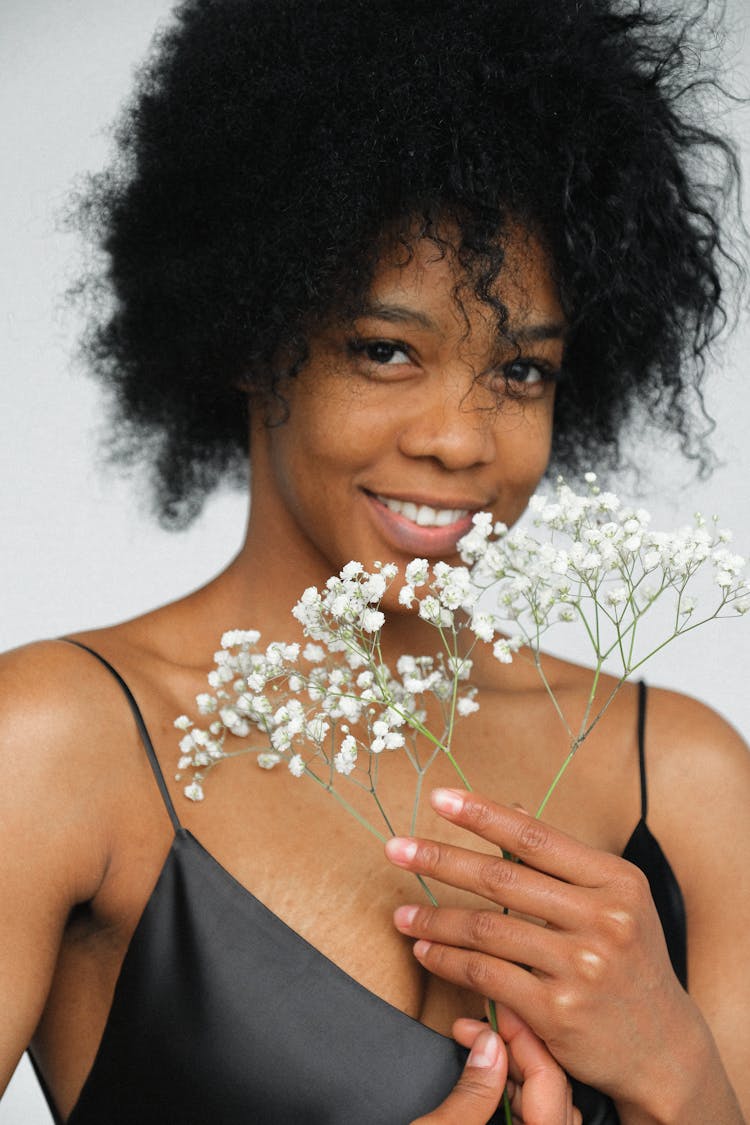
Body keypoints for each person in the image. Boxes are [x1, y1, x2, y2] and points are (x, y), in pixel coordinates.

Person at [1, 0, 748, 1122]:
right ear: (254, 342)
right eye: (386, 351)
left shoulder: (682, 777)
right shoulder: (59, 746)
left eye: (522, 372)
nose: (459, 436)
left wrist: (680, 1077)